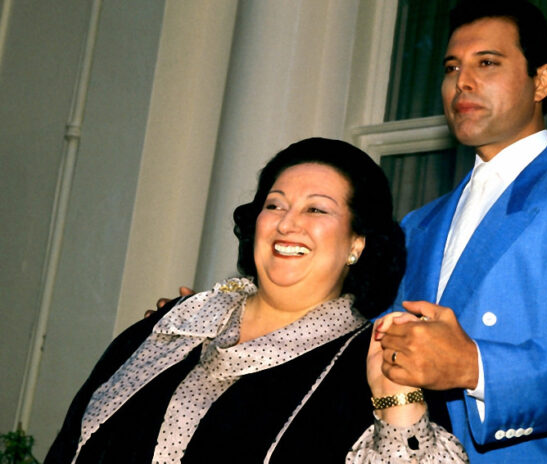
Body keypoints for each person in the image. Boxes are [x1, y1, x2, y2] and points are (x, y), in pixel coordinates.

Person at [45, 138, 468, 463]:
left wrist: (397, 405)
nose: (287, 224)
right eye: (274, 205)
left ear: (357, 243)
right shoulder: (173, 326)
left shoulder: (375, 364)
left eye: (316, 210)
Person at [374, 1, 547, 462]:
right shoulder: (418, 224)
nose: (461, 81)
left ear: (541, 81)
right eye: (451, 67)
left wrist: (475, 367)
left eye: (487, 63)